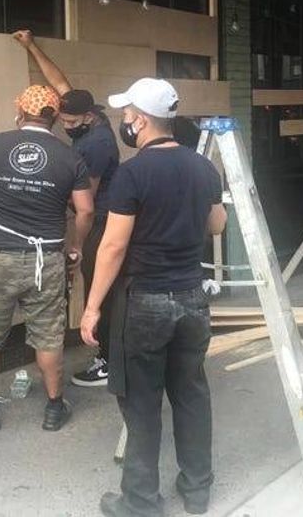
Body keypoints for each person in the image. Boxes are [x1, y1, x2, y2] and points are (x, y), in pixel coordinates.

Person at [79, 78, 227, 517]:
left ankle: (141, 502)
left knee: (142, 403)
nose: (125, 122)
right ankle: (197, 491)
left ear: (141, 121)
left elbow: (112, 247)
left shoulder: (133, 173)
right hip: (192, 298)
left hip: (146, 301)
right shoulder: (204, 169)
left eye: (127, 116)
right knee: (191, 393)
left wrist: (91, 308)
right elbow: (216, 226)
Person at [0, 85, 94, 433]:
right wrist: (77, 246)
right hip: (46, 260)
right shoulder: (69, 156)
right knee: (48, 336)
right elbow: (86, 210)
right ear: (55, 116)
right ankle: (54, 408)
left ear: (20, 112)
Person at [12, 29, 121, 388]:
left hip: (100, 223)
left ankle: (108, 359)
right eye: (64, 121)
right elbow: (58, 82)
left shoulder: (98, 145)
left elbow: (84, 205)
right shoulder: (82, 109)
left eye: (72, 123)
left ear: (87, 116)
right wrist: (30, 46)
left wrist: (77, 246)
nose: (67, 127)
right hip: (92, 216)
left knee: (97, 289)